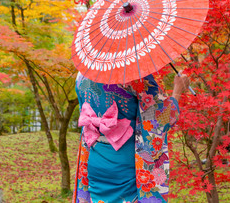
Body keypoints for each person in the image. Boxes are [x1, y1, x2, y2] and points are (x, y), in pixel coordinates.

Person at [72, 72, 189, 203]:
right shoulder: (134, 75)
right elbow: (162, 117)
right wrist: (178, 89)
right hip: (125, 166)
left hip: (95, 160)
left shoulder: (83, 74)